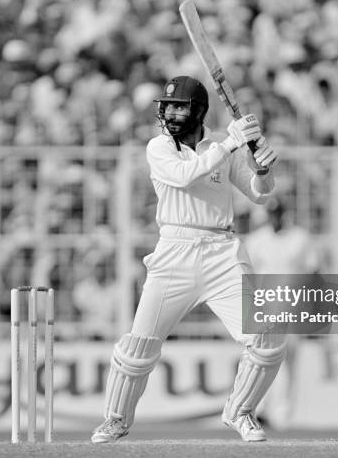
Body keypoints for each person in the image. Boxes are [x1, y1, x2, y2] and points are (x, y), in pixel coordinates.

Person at [91, 76, 286, 443]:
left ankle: (240, 412)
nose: (170, 113)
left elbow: (260, 194)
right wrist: (232, 142)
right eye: (166, 107)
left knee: (268, 335)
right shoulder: (158, 148)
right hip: (174, 251)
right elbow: (184, 176)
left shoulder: (218, 148)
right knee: (138, 348)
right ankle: (116, 419)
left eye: (179, 106)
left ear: (198, 111)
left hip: (221, 251)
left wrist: (261, 167)